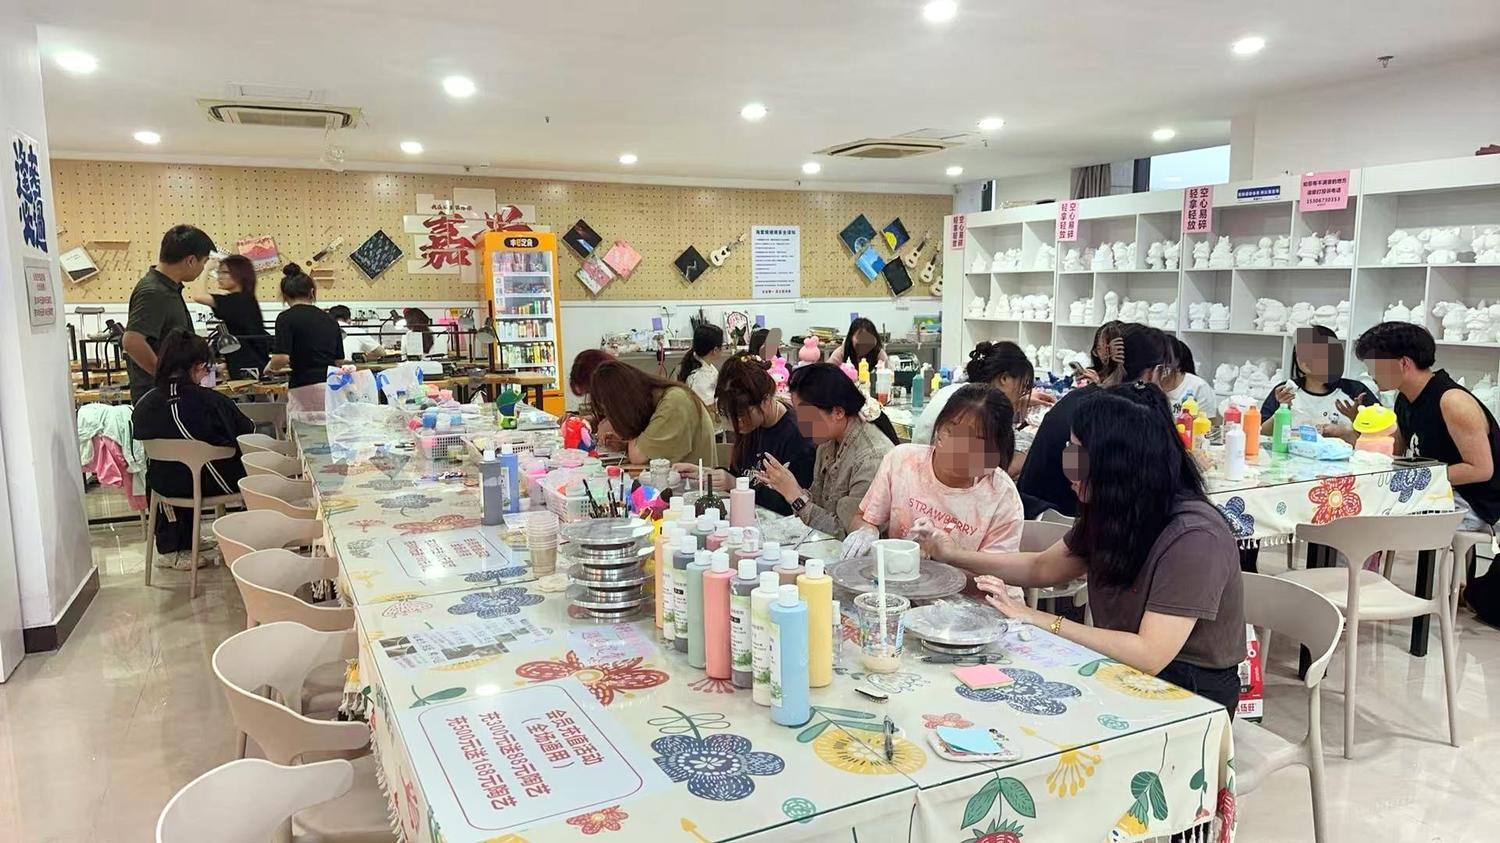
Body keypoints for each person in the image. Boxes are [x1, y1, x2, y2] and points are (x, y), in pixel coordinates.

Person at [971, 384, 1246, 715]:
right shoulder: (1118, 507)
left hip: (1188, 687)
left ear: (1119, 463)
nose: (1068, 468)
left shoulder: (1195, 536)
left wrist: (1035, 617)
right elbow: (1040, 568)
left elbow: (1149, 655)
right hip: (1121, 665)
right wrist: (951, 554)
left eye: (1079, 456)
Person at [1354, 322, 1500, 624]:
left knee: (1373, 512)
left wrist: (1418, 479)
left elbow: (1481, 469)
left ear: (1403, 363)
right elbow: (1399, 453)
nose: (1370, 373)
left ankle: (1359, 590)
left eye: (1374, 365)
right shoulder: (1404, 398)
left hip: (1479, 502)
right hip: (1439, 489)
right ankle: (1358, 586)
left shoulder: (1452, 401)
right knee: (1360, 498)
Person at [843, 384, 1024, 566]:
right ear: (939, 426)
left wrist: (947, 557)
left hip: (967, 585)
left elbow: (997, 571)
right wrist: (866, 532)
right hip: (901, 578)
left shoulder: (1001, 495)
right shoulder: (903, 461)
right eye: (952, 431)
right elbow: (865, 518)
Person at [1017, 323, 1171, 517]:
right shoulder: (1114, 417)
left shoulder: (1084, 399)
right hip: (1064, 521)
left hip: (1038, 514)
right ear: (1153, 372)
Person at [132, 330, 254, 570]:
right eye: (207, 367)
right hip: (211, 482)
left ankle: (180, 543)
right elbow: (245, 430)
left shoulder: (145, 403)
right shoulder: (210, 401)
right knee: (250, 469)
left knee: (171, 468)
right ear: (198, 365)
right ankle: (246, 543)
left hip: (163, 486)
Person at [754, 363, 898, 538]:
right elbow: (819, 505)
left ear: (838, 412)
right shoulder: (828, 443)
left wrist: (795, 496)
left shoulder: (871, 459)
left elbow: (848, 536)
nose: (802, 425)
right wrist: (788, 486)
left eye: (807, 416)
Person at [681, 353, 815, 515]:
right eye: (729, 415)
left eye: (741, 415)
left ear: (766, 400)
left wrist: (735, 484)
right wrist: (707, 475)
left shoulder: (799, 437)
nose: (736, 423)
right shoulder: (751, 427)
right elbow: (740, 474)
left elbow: (792, 507)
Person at [913, 341, 1037, 475]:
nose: (1020, 394)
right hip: (934, 476)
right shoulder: (976, 408)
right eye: (1022, 387)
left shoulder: (960, 393)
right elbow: (979, 470)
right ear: (1004, 378)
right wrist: (1031, 455)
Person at [123, 225, 214, 404]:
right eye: (203, 263)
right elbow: (132, 341)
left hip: (170, 393)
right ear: (191, 260)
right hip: (160, 397)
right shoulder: (154, 292)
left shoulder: (167, 288)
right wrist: (165, 378)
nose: (203, 268)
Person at [589, 361, 716, 465]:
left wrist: (629, 430)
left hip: (693, 485)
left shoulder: (675, 401)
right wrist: (623, 446)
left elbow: (638, 456)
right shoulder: (660, 399)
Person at [1261, 324, 1377, 437]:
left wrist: (1354, 421)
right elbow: (1261, 433)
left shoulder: (1355, 391)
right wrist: (1283, 409)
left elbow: (1381, 434)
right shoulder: (1285, 391)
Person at [188, 253, 270, 378]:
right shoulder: (244, 299)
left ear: (240, 274)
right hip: (252, 366)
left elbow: (198, 296)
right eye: (219, 272)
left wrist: (206, 268)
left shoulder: (238, 301)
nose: (219, 277)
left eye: (225, 272)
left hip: (249, 370)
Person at [267, 264, 342, 393]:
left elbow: (281, 358)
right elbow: (339, 360)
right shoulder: (330, 319)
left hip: (303, 384)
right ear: (312, 292)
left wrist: (271, 367)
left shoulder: (285, 318)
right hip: (331, 385)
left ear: (284, 295)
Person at [676, 323, 728, 409]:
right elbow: (707, 409)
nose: (723, 348)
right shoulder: (700, 378)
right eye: (722, 345)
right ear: (715, 350)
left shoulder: (706, 366)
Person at [1161, 338, 1217, 417]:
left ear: (1177, 362)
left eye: (1165, 360)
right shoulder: (1146, 384)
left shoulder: (1198, 387)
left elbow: (1208, 421)